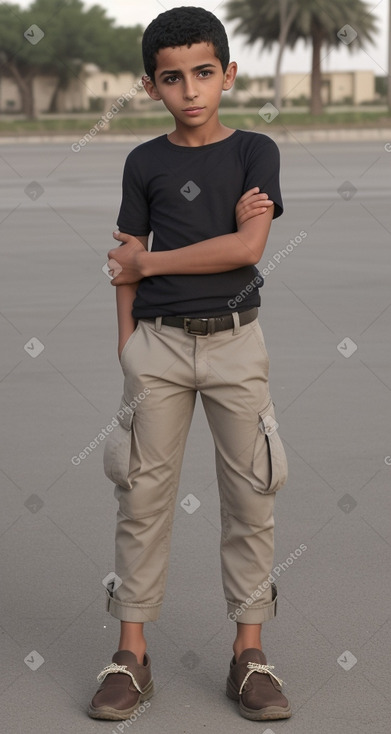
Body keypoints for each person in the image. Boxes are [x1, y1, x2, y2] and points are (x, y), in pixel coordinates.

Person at [88, 5, 291, 723]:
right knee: (140, 498)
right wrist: (128, 346)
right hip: (159, 348)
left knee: (250, 499)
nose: (190, 90)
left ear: (228, 74)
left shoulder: (253, 152)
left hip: (237, 343)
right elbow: (122, 264)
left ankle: (250, 655)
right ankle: (131, 655)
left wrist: (152, 259)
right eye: (172, 79)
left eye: (204, 73)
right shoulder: (143, 162)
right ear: (151, 87)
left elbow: (244, 250)